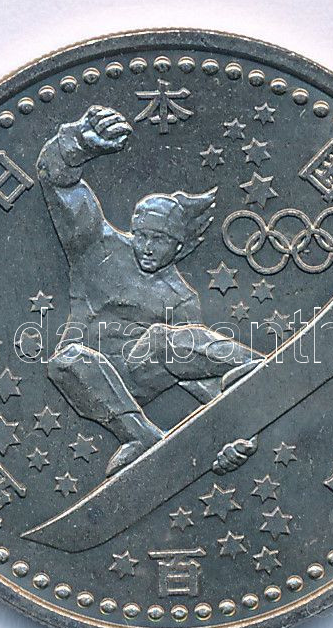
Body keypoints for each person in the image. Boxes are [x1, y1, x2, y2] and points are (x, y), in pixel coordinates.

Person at [37, 105, 260, 476]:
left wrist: (232, 434)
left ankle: (255, 368)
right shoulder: (97, 247)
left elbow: (198, 380)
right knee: (68, 359)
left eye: (160, 240)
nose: (148, 247)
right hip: (88, 376)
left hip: (137, 374)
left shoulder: (180, 297)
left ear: (180, 245)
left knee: (163, 338)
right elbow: (59, 185)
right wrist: (75, 142)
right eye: (142, 236)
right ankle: (141, 437)